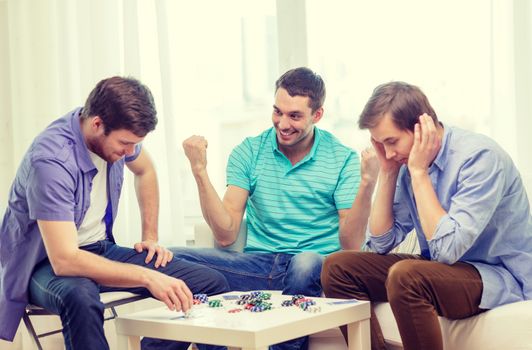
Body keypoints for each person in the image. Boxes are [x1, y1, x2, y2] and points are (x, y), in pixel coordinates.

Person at [0, 76, 229, 350]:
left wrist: (151, 237)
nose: (130, 152)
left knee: (209, 282)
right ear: (97, 124)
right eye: (125, 144)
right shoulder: (51, 161)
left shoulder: (115, 134)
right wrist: (147, 276)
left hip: (98, 249)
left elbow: (145, 170)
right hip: (43, 263)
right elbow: (64, 260)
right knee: (82, 297)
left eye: (136, 144)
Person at [174, 67, 378, 349]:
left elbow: (352, 243)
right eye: (277, 112)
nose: (283, 123)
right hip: (260, 265)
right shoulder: (249, 151)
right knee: (173, 258)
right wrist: (199, 171)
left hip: (314, 267)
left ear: (317, 115)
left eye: (294, 116)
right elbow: (225, 235)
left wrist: (367, 183)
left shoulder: (341, 159)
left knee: (305, 262)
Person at [321, 81, 532, 350]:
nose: (387, 152)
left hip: (496, 275)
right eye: (380, 144)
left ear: (421, 127)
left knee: (406, 276)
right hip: (441, 272)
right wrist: (387, 172)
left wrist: (419, 173)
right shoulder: (403, 162)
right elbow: (381, 243)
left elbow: (446, 250)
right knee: (338, 267)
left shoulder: (480, 157)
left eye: (392, 142)